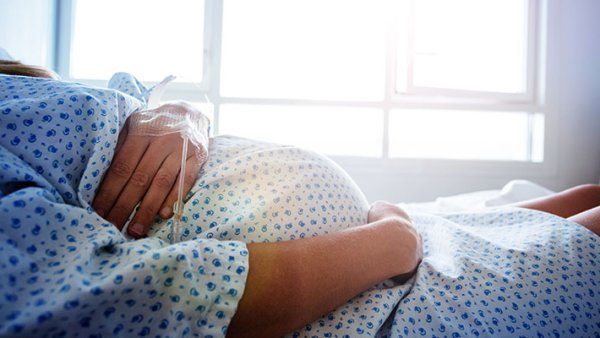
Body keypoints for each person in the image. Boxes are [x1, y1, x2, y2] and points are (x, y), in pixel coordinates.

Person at [1, 60, 599, 337]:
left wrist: (183, 114)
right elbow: (159, 298)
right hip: (387, 296)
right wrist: (392, 243)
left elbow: (120, 105)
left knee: (588, 194)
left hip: (394, 247)